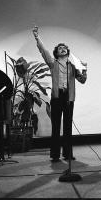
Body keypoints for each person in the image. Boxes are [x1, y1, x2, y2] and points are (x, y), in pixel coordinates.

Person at [32, 26, 87, 162]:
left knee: (68, 126)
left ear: (68, 51)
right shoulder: (53, 63)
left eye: (64, 47)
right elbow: (43, 51)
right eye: (60, 48)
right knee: (56, 126)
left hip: (69, 97)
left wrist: (84, 70)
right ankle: (55, 154)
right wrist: (37, 38)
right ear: (56, 52)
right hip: (57, 97)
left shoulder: (73, 65)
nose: (62, 49)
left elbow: (82, 81)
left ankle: (67, 154)